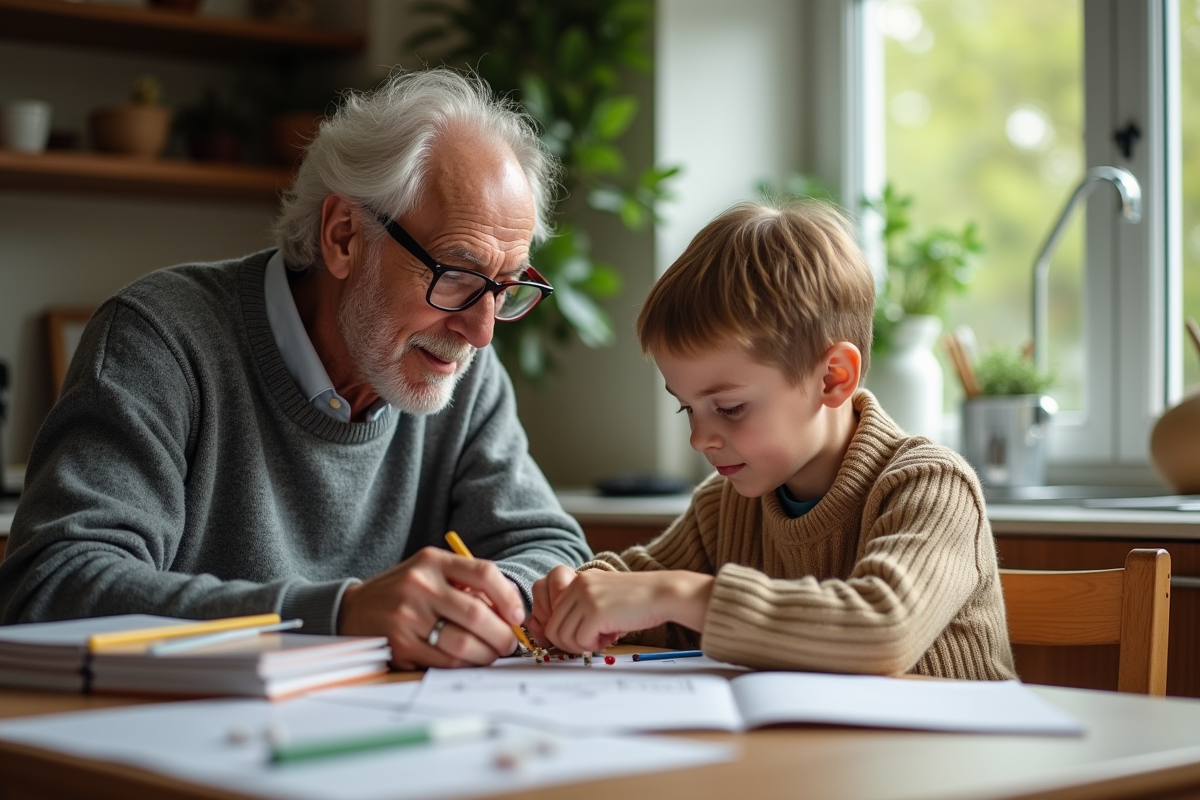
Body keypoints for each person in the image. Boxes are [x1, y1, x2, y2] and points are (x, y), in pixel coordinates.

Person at [0, 69, 593, 670]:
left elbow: (553, 551)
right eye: (457, 276)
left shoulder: (460, 369)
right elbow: (52, 588)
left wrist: (499, 598)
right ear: (343, 237)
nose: (482, 330)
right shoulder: (161, 337)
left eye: (506, 287)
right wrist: (337, 616)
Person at [528, 201, 1016, 680]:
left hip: (950, 758)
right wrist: (576, 591)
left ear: (833, 378)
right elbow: (635, 582)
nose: (700, 438)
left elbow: (882, 630)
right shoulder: (725, 509)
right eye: (686, 407)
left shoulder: (932, 486)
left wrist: (677, 594)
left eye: (729, 408)